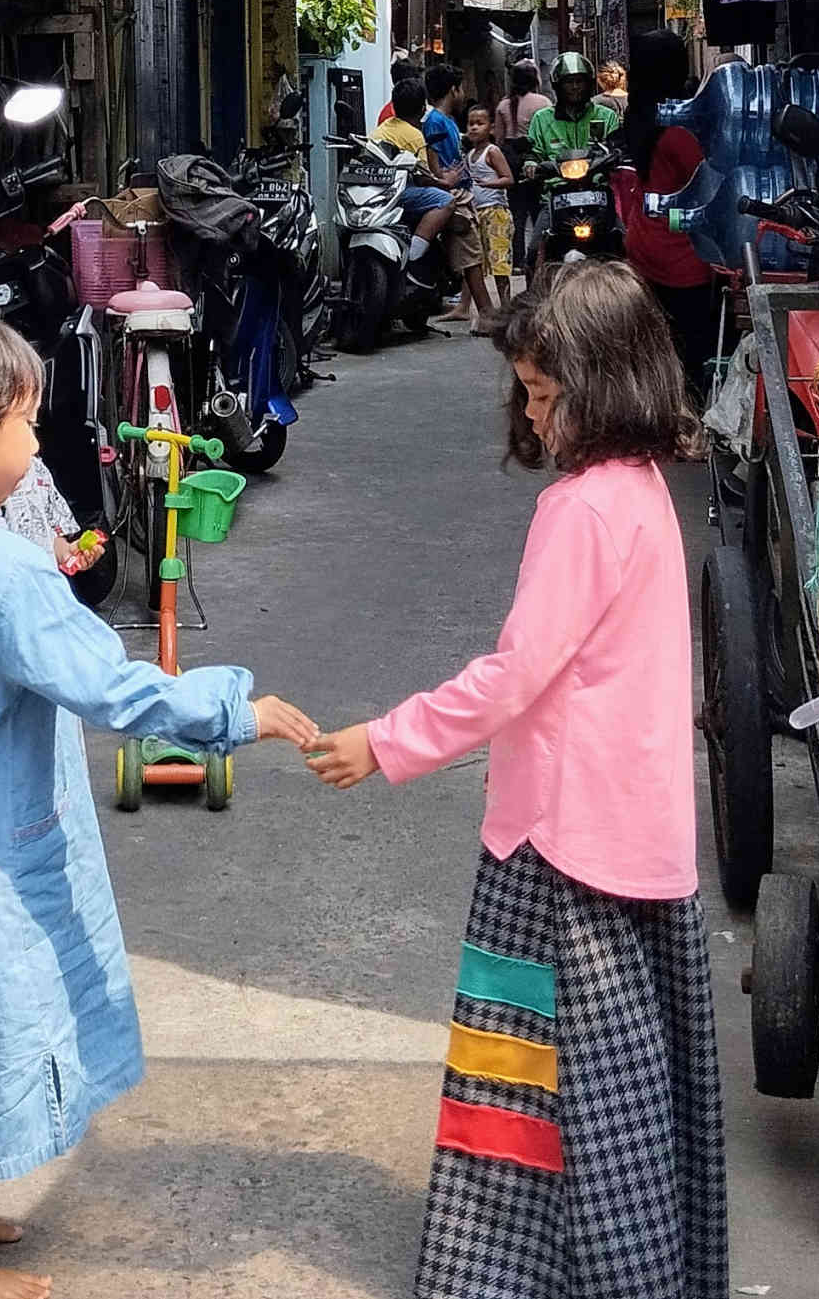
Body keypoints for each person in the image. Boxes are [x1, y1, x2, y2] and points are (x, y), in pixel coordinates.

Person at [0, 305, 318, 1299]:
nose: (37, 443)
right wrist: (233, 706)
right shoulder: (5, 568)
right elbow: (114, 688)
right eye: (28, 423)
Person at [303, 264, 727, 1299]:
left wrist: (386, 742)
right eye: (528, 392)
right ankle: (630, 1269)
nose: (534, 414)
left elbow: (514, 674)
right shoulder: (641, 495)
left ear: (606, 382)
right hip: (634, 832)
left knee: (541, 1071)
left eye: (547, 393)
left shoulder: (582, 510)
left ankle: (506, 1272)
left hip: (560, 838)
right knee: (621, 1082)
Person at [614, 26, 720, 390]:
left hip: (645, 240)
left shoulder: (638, 114)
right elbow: (708, 185)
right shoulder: (679, 130)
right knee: (690, 351)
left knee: (654, 347)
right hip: (680, 251)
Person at [442, 102, 517, 334]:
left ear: (491, 128)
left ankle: (506, 312)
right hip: (478, 213)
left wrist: (488, 183)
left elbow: (508, 178)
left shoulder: (492, 152)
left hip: (496, 214)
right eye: (471, 124)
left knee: (499, 266)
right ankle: (465, 307)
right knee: (474, 263)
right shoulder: (470, 154)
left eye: (480, 123)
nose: (474, 128)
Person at [373, 74, 456, 257]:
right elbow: (424, 178)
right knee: (446, 201)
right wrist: (446, 183)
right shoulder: (414, 135)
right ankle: (414, 254)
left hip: (375, 193)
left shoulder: (382, 128)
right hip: (397, 193)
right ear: (422, 108)